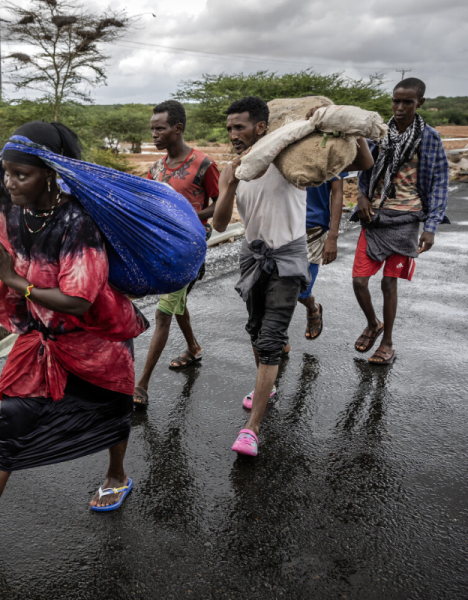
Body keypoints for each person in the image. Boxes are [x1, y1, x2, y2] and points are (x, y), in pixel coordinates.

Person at [0, 121, 149, 544]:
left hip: (95, 336)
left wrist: (16, 283)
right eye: (5, 172)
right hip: (41, 337)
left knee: (112, 410)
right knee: (13, 417)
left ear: (49, 173)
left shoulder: (77, 221)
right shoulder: (9, 209)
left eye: (21, 174)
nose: (11, 182)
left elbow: (79, 301)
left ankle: (116, 476)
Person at [212, 96, 374, 456]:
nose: (233, 134)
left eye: (239, 126)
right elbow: (220, 223)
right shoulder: (233, 168)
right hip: (252, 258)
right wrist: (232, 183)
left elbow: (364, 162)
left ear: (261, 128)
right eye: (229, 128)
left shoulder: (293, 160)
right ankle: (265, 385)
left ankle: (252, 429)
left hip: (288, 258)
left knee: (271, 338)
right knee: (255, 329)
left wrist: (348, 124)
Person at [351, 77, 450, 365]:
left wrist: (430, 228)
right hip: (375, 217)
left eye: (407, 102)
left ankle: (388, 342)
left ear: (420, 103)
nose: (400, 107)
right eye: (396, 100)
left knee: (389, 284)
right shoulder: (380, 134)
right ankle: (373, 323)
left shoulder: (429, 137)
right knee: (359, 281)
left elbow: (440, 184)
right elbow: (365, 170)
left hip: (407, 218)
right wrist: (362, 197)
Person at [133, 100, 220, 409]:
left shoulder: (204, 164)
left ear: (177, 129)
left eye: (160, 128)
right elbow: (141, 199)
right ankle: (194, 347)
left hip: (188, 249)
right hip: (161, 248)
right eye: (152, 129)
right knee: (176, 300)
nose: (154, 134)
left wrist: (189, 217)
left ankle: (141, 385)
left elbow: (222, 204)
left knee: (162, 311)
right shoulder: (155, 169)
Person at [297, 172, 349, 340]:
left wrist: (333, 236)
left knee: (301, 290)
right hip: (284, 223)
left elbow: (337, 192)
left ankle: (312, 307)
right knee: (278, 285)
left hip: (314, 226)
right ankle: (278, 335)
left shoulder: (332, 147)